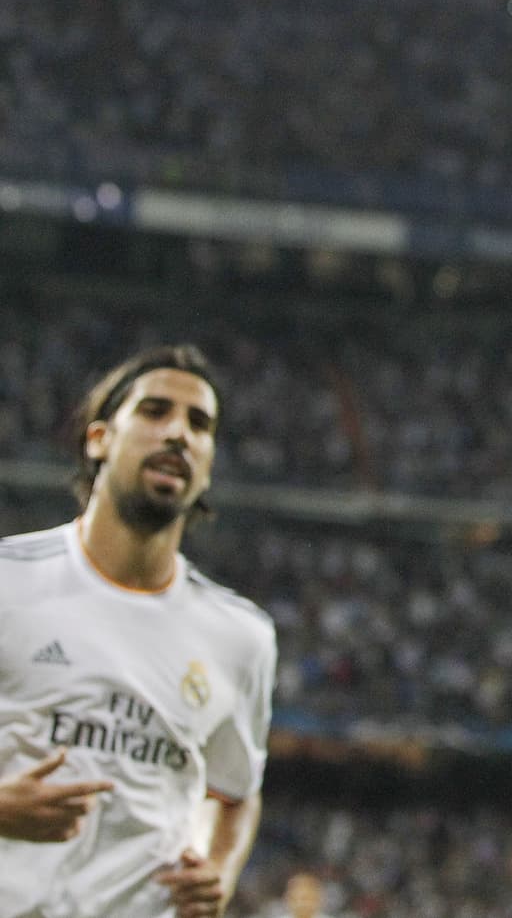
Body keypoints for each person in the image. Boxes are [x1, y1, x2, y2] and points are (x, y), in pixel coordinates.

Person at [0, 346, 276, 918]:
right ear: (99, 438)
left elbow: (235, 792)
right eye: (155, 412)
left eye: (199, 424)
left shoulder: (241, 636)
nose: (178, 433)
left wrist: (218, 870)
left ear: (208, 463)